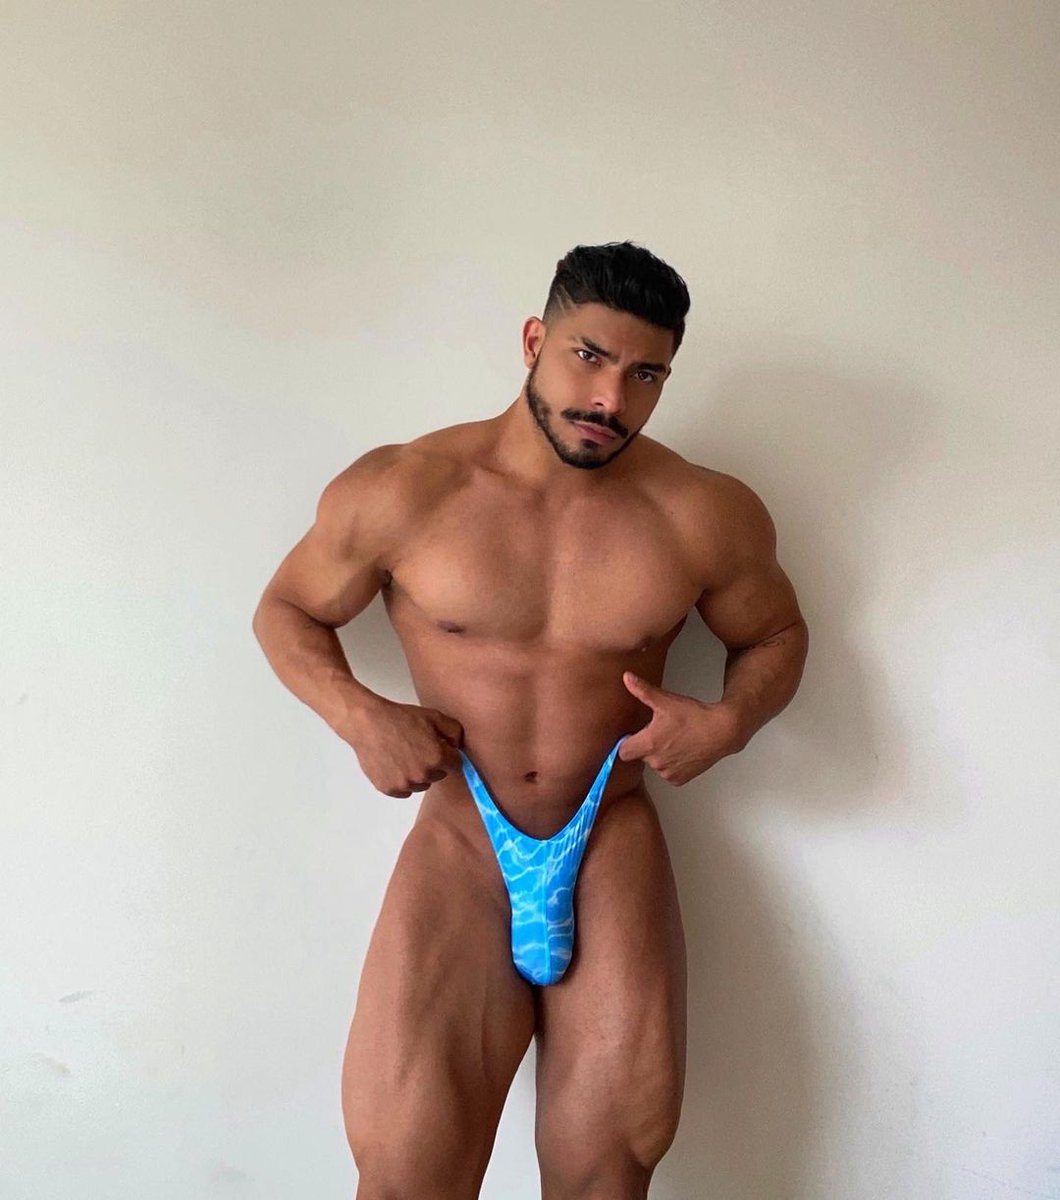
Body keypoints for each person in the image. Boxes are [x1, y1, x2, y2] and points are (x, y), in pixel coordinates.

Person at [251, 241, 809, 1200]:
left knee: (608, 1174)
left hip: (611, 839)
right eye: (589, 357)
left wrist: (729, 724)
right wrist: (361, 716)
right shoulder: (406, 488)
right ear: (533, 341)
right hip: (463, 841)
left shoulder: (702, 512)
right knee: (405, 1174)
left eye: (646, 375)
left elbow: (777, 635)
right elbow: (287, 609)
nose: (610, 399)